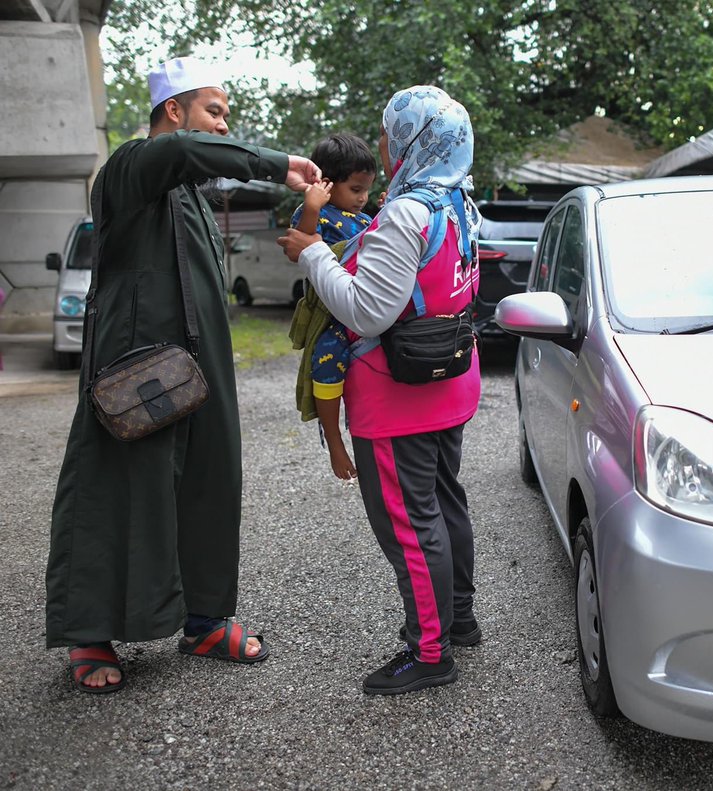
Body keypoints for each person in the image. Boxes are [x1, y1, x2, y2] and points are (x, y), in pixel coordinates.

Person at [45, 56, 322, 694]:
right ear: (175, 112)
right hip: (134, 362)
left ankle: (202, 621)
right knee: (118, 487)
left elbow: (195, 166)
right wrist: (274, 162)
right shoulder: (131, 167)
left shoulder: (191, 192)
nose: (224, 127)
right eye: (215, 112)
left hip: (202, 364)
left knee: (209, 483)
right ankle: (90, 631)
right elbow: (183, 155)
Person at [278, 85, 481, 695]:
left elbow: (368, 313)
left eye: (392, 132)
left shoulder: (406, 212)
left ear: (417, 138)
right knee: (446, 503)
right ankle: (459, 619)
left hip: (397, 394)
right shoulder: (460, 201)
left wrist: (315, 255)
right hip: (448, 378)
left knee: (410, 526)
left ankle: (429, 653)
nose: (386, 143)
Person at [289, 134, 376, 480]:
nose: (363, 198)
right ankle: (335, 440)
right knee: (326, 358)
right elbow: (302, 244)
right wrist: (311, 206)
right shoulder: (316, 213)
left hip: (363, 306)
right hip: (331, 315)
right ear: (326, 184)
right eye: (356, 189)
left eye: (367, 189)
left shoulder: (365, 219)